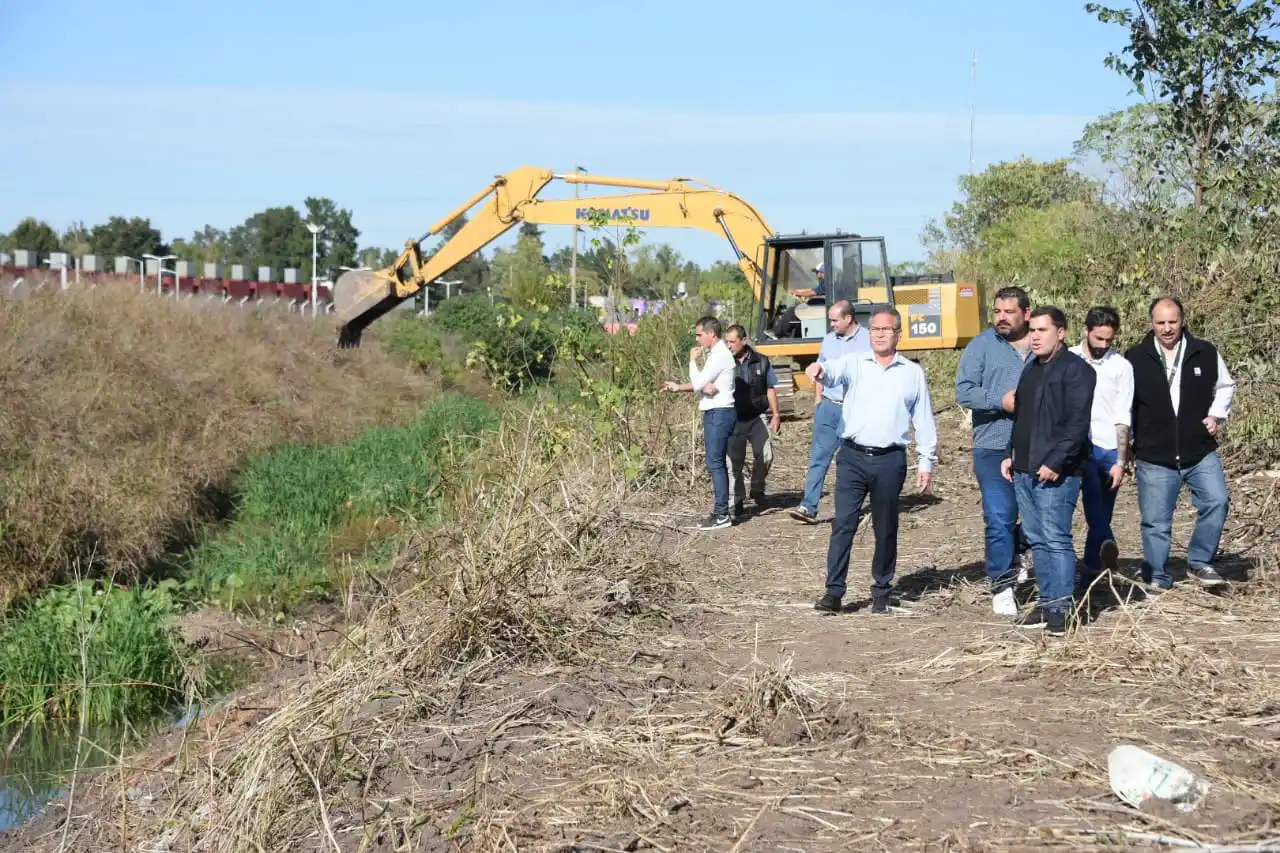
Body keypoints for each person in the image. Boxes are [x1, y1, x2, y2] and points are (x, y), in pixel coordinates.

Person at [805, 305, 937, 614]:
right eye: (875, 329)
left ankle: (881, 592)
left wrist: (927, 460)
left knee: (886, 526)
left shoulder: (912, 373)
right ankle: (833, 592)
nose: (879, 334)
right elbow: (832, 370)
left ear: (898, 335)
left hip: (890, 460)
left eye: (886, 329)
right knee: (843, 524)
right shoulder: (855, 363)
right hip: (852, 456)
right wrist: (818, 370)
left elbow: (924, 419)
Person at [1126, 296, 1236, 589]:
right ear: (1151, 323)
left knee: (1217, 500)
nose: (1167, 328)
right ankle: (1158, 575)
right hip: (1154, 454)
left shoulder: (1205, 351)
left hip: (1199, 450)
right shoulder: (1135, 357)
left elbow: (1225, 386)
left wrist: (1216, 415)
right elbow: (1123, 403)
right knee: (1156, 522)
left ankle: (1200, 562)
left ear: (1182, 320)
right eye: (1160, 323)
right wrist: (1127, 444)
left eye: (1172, 322)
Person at [1000, 306, 1096, 636]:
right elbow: (1022, 419)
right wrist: (1009, 454)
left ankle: (1063, 608)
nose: (1036, 336)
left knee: (1056, 538)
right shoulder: (1031, 370)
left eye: (1043, 330)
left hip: (1057, 473)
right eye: (1033, 330)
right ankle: (1047, 602)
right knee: (1039, 539)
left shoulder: (1077, 371)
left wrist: (1056, 462)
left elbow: (1077, 425)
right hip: (1024, 469)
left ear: (1062, 333)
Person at [954, 285, 1035, 616]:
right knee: (1000, 514)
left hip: (1035, 445)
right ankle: (1003, 584)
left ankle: (1015, 551)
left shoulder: (1042, 342)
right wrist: (998, 401)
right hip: (992, 442)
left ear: (1026, 314)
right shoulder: (982, 346)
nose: (1001, 318)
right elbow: (963, 391)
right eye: (997, 312)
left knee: (1038, 517)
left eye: (1009, 312)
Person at [1069, 306, 1134, 595]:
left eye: (1109, 340)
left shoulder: (1121, 367)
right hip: (1075, 445)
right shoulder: (1067, 358)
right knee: (1092, 510)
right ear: (1086, 331)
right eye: (1098, 339)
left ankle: (1090, 578)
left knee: (1100, 513)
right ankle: (1103, 550)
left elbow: (1123, 414)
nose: (1103, 346)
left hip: (1108, 446)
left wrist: (1121, 460)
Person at [790, 299, 871, 524]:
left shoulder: (868, 340)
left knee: (851, 462)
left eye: (835, 320)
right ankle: (808, 506)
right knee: (819, 458)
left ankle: (849, 507)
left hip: (855, 410)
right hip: (828, 407)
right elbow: (820, 367)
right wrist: (818, 398)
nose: (831, 324)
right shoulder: (828, 340)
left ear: (848, 318)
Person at [663, 315, 737, 531]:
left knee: (716, 463)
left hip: (719, 413)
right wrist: (698, 385)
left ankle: (722, 513)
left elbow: (698, 383)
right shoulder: (717, 355)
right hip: (716, 412)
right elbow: (705, 385)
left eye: (699, 334)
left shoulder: (719, 355)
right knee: (716, 463)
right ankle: (721, 510)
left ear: (711, 334)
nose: (697, 340)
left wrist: (691, 362)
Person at [723, 324, 781, 515]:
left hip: (757, 416)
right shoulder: (724, 363)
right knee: (734, 462)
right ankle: (737, 499)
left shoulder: (762, 361)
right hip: (734, 418)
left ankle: (757, 489)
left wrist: (776, 414)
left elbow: (770, 388)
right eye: (727, 341)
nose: (729, 345)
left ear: (744, 340)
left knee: (765, 455)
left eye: (732, 341)